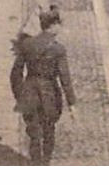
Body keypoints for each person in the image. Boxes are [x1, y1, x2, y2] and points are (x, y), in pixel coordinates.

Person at [10, 14, 76, 165]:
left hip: (29, 91)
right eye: (59, 24)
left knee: (33, 132)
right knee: (49, 130)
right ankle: (45, 163)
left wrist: (19, 93)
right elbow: (64, 77)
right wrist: (71, 103)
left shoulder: (27, 44)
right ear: (53, 26)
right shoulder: (58, 49)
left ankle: (35, 163)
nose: (60, 27)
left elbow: (15, 73)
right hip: (49, 93)